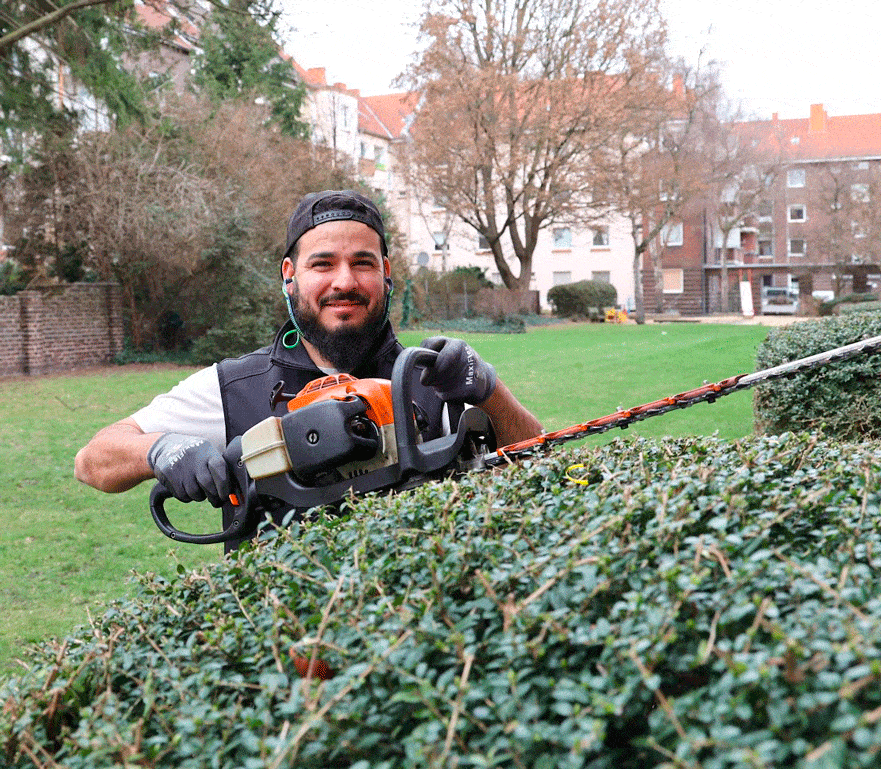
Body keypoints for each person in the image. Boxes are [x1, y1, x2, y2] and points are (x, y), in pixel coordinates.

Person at [75, 190, 542, 549]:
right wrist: (161, 451)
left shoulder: (430, 380)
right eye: (323, 264)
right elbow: (93, 460)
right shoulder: (235, 388)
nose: (344, 281)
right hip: (281, 651)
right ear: (289, 275)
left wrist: (487, 390)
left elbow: (536, 467)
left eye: (363, 263)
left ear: (386, 273)